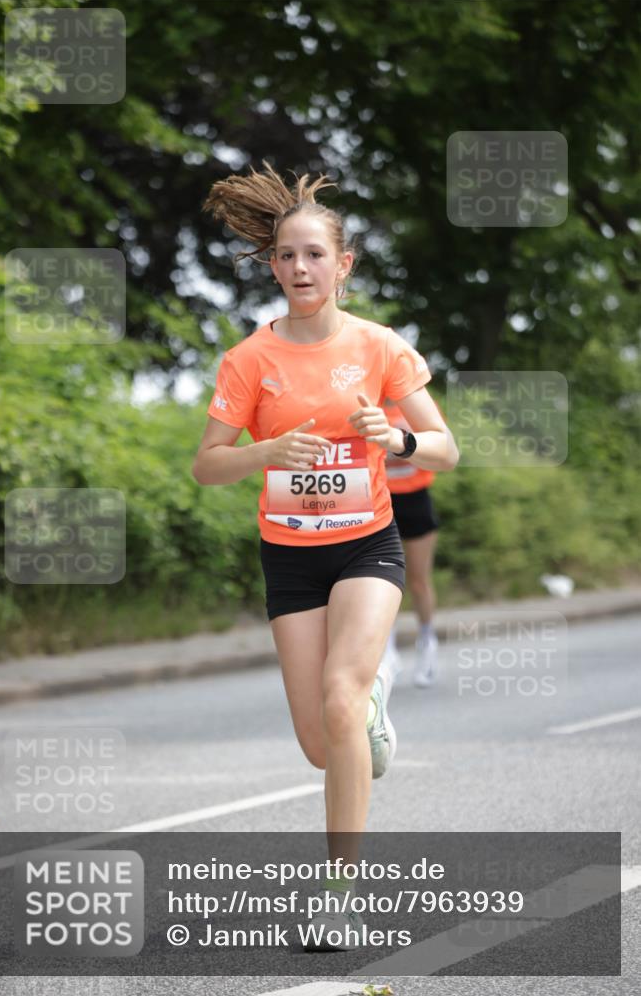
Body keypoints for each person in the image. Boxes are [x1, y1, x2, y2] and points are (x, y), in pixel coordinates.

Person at [193, 161, 459, 947]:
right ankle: (366, 712)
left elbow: (444, 448)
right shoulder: (250, 360)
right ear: (271, 266)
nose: (299, 268)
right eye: (286, 256)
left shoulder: (379, 348)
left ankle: (336, 895)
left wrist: (397, 437)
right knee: (322, 743)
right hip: (290, 558)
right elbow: (207, 465)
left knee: (340, 695)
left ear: (341, 266)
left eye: (314, 254)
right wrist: (266, 449)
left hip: (368, 546)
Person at [381, 400, 441, 688]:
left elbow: (439, 450)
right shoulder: (367, 402)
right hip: (380, 500)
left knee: (417, 580)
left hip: (416, 499)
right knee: (383, 581)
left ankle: (427, 641)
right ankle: (386, 649)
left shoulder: (418, 405)